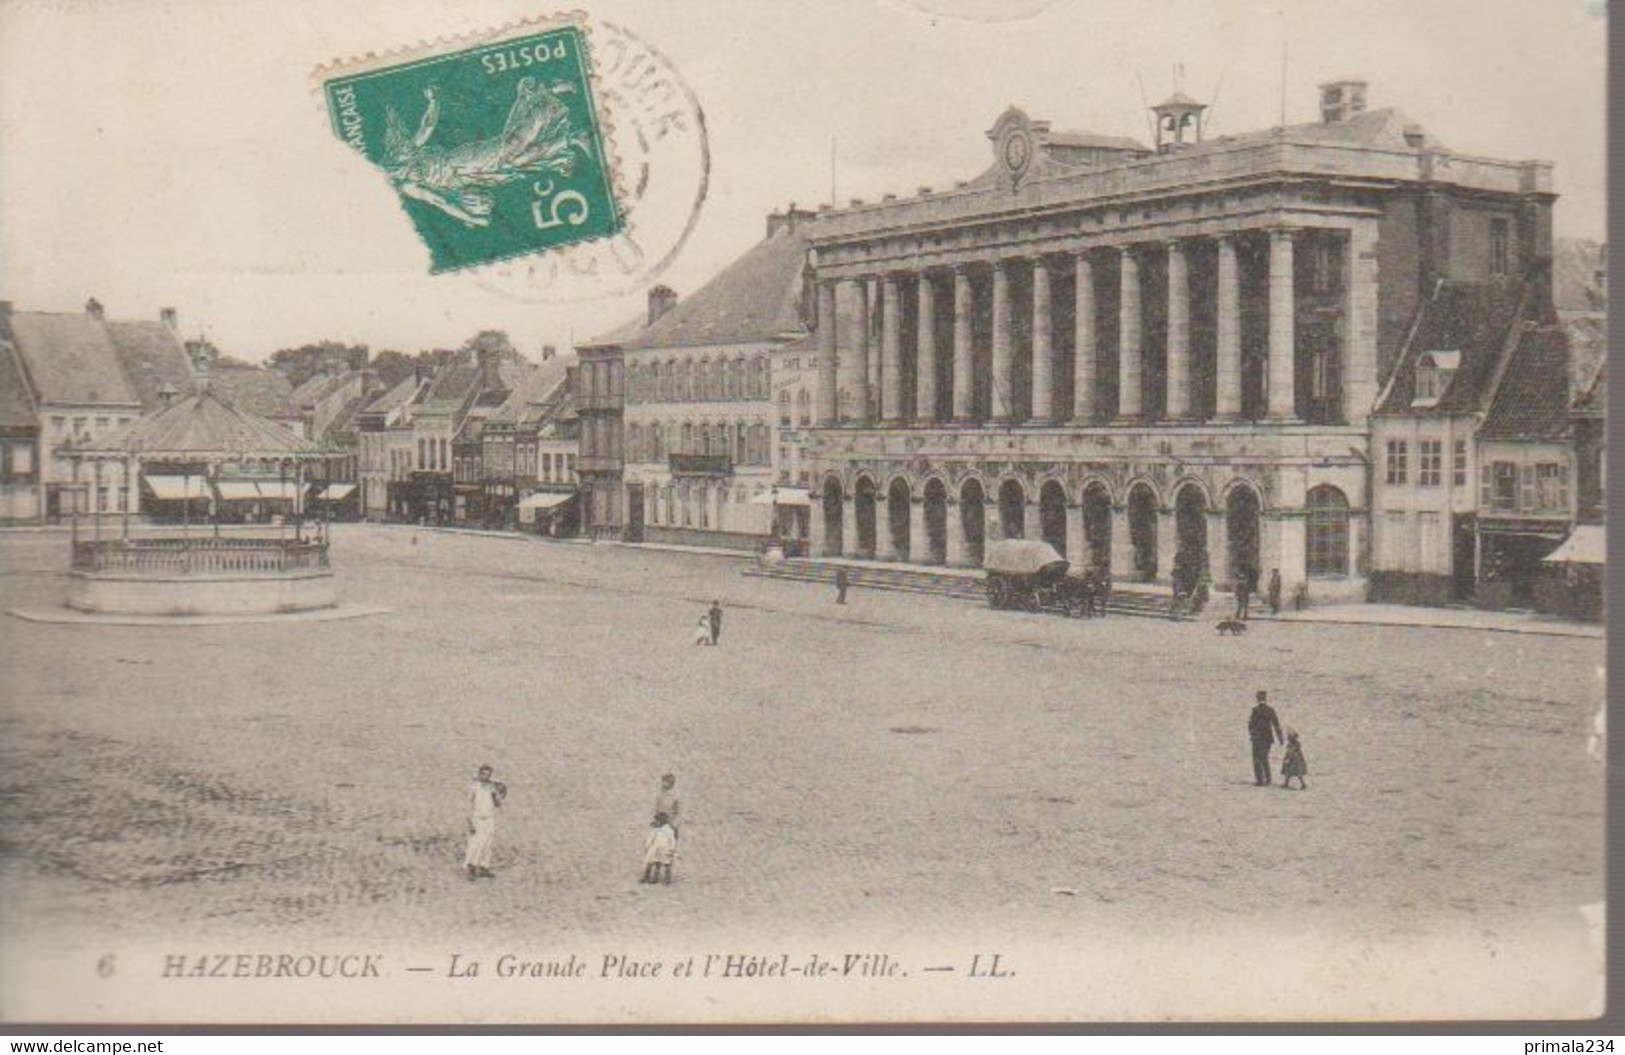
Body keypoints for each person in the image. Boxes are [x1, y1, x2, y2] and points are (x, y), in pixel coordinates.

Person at [463, 764, 507, 880]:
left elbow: (497, 803)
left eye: (488, 775)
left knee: (488, 842)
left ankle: (484, 867)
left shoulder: (491, 787)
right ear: (479, 774)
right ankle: (471, 867)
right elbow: (468, 804)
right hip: (477, 817)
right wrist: (469, 821)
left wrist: (499, 794)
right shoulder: (473, 787)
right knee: (476, 842)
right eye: (483, 774)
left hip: (489, 817)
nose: (485, 777)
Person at [1247, 690, 1283, 787]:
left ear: (1258, 698)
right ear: (1265, 698)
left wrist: (1252, 734)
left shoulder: (1255, 710)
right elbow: (1276, 724)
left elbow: (1250, 724)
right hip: (1267, 738)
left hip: (1257, 738)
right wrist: (1280, 738)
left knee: (1256, 759)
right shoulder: (1270, 710)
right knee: (1264, 758)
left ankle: (1259, 780)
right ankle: (1268, 778)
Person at [641, 812, 677, 885]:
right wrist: (647, 846)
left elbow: (672, 840)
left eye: (658, 820)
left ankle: (667, 879)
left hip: (665, 849)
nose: (657, 822)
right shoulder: (654, 830)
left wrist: (672, 849)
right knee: (652, 863)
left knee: (666, 864)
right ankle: (651, 878)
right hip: (655, 849)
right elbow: (650, 839)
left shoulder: (668, 830)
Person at [655, 773, 681, 837]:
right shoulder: (661, 792)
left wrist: (674, 824)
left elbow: (678, 811)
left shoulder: (675, 795)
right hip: (661, 820)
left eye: (665, 782)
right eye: (663, 781)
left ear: (670, 783)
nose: (663, 784)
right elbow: (658, 806)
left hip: (670, 821)